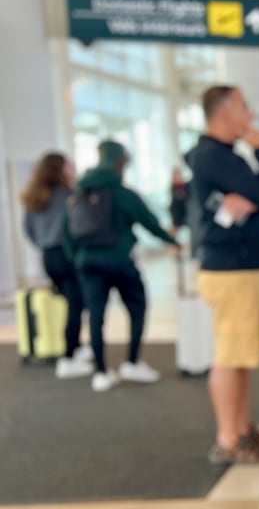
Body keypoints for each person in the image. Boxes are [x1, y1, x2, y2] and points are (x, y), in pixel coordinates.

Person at [187, 85, 259, 464]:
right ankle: (228, 438)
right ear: (224, 113)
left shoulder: (225, 155)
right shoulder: (213, 156)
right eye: (245, 108)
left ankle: (243, 429)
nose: (251, 116)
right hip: (231, 270)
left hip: (244, 266)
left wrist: (258, 199)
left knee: (242, 354)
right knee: (230, 355)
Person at [62, 141, 180, 392]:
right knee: (137, 307)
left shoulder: (79, 192)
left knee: (95, 315)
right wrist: (173, 241)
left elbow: (66, 233)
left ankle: (102, 372)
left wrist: (78, 258)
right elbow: (149, 222)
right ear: (121, 162)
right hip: (118, 260)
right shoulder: (122, 193)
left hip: (87, 262)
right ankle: (132, 361)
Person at [20, 152, 92, 379]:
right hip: (67, 254)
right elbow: (78, 226)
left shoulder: (34, 197)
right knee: (76, 304)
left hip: (48, 256)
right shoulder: (68, 196)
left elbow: (29, 230)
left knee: (71, 302)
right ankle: (68, 356)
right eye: (69, 166)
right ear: (61, 170)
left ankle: (76, 347)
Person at [168, 167, 189, 237]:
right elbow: (180, 196)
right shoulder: (174, 187)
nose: (179, 177)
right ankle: (171, 241)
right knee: (175, 229)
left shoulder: (185, 185)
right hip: (177, 211)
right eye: (177, 175)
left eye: (180, 175)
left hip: (184, 210)